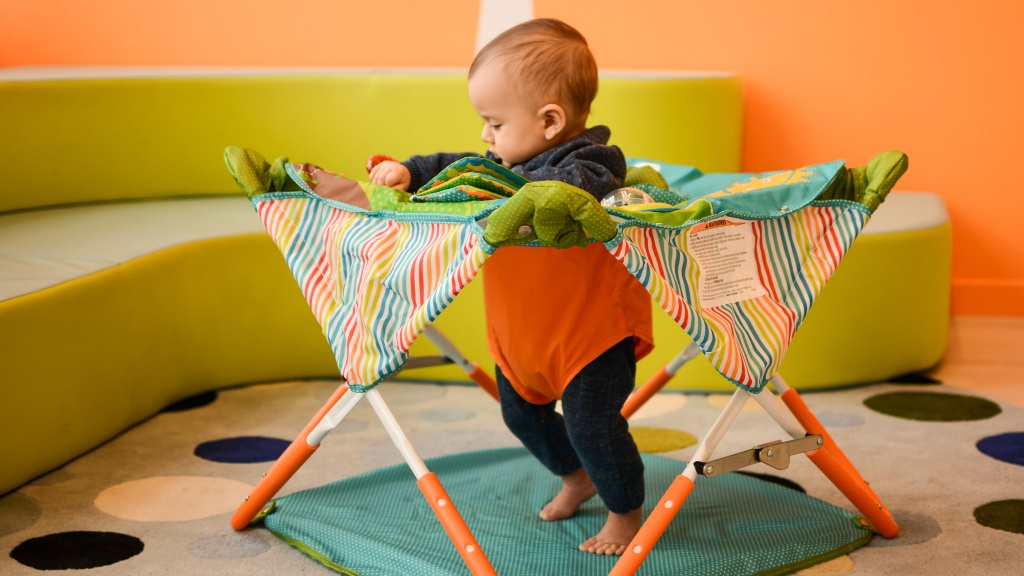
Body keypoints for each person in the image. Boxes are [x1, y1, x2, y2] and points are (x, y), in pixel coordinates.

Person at [369, 18, 654, 556]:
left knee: (594, 424)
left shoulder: (592, 161)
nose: (485, 136)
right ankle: (577, 477)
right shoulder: (503, 164)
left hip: (590, 333)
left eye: (494, 122)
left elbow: (579, 190)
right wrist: (410, 173)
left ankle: (625, 513)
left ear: (550, 121)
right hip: (523, 330)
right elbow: (460, 168)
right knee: (519, 414)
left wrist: (515, 193)